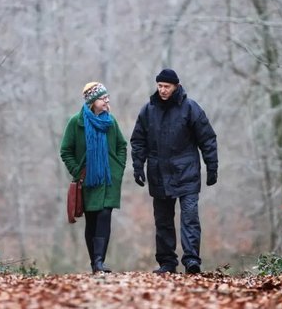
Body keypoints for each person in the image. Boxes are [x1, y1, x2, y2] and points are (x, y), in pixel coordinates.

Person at [130, 68, 218, 274]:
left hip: (186, 174)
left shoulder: (190, 108)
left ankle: (191, 261)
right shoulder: (148, 110)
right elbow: (138, 140)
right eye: (159, 86)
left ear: (176, 86)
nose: (162, 90)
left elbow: (207, 139)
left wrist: (212, 167)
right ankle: (167, 263)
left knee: (190, 218)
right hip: (158, 174)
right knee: (163, 222)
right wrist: (137, 166)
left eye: (166, 86)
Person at [60, 82, 128, 273]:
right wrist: (77, 171)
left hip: (109, 179)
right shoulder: (76, 122)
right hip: (88, 180)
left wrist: (118, 168)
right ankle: (94, 263)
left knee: (105, 215)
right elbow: (65, 151)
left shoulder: (110, 122)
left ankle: (99, 261)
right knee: (91, 220)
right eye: (102, 98)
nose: (107, 100)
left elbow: (122, 146)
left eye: (107, 97)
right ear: (92, 102)